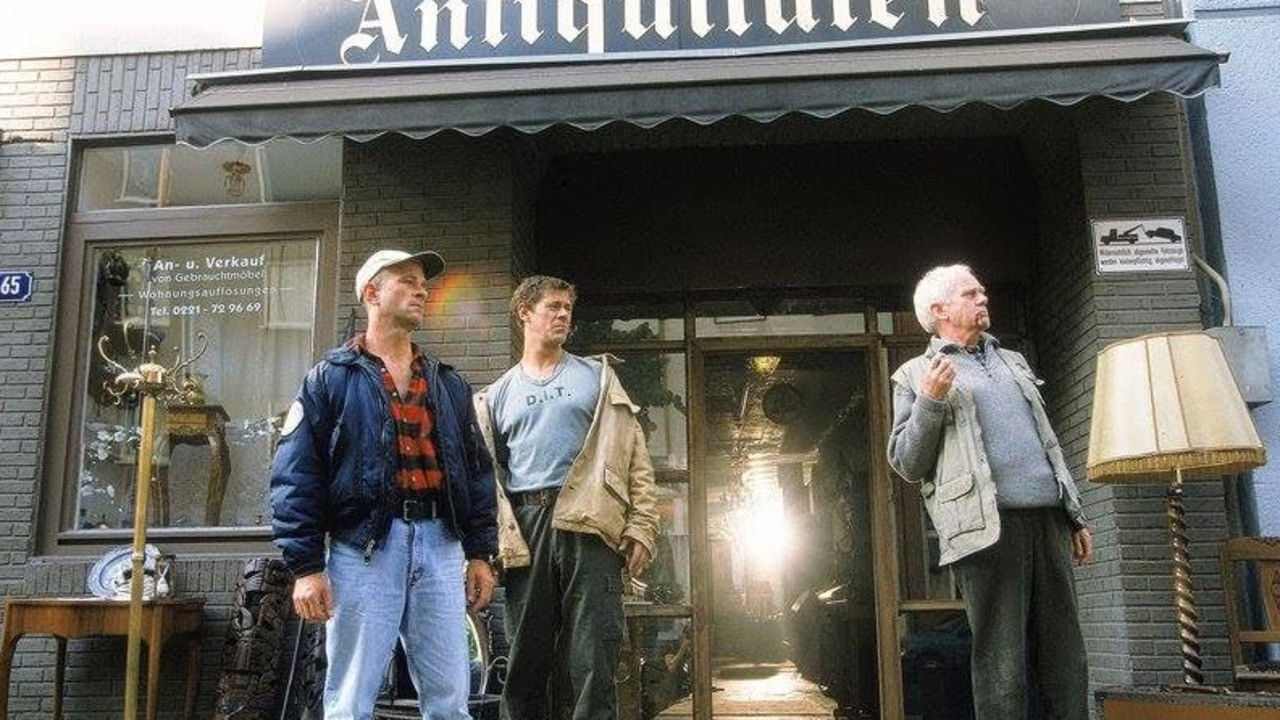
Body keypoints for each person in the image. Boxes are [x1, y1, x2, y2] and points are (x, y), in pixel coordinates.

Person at [271, 249, 497, 720]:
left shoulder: (448, 384)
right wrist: (306, 567)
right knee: (350, 702)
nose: (422, 291)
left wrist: (480, 552)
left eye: (424, 284)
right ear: (372, 293)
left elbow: (477, 472)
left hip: (442, 549)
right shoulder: (328, 381)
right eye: (407, 281)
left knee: (452, 702)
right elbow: (296, 476)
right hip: (365, 550)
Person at [887, 264, 1093, 719]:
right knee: (1002, 665)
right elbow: (906, 462)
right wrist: (930, 400)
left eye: (982, 291)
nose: (983, 298)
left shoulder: (1013, 361)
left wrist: (1074, 514)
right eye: (970, 294)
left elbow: (1047, 441)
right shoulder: (915, 374)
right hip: (986, 529)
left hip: (1049, 521)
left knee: (1066, 657)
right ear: (939, 310)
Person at [474, 275, 660, 720]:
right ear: (525, 313)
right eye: (553, 307)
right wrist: (482, 547)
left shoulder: (598, 378)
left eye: (567, 308)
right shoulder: (496, 395)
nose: (563, 315)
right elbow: (486, 479)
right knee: (525, 657)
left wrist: (642, 525)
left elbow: (635, 455)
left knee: (595, 653)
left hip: (590, 520)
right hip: (527, 526)